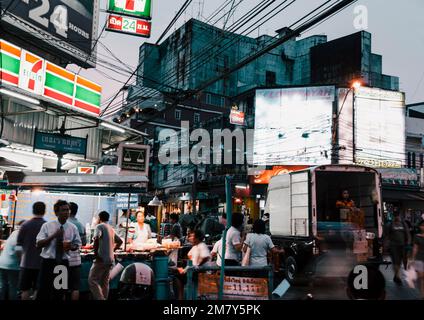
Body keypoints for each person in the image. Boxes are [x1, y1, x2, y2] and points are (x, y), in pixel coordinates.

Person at [36, 200, 81, 300]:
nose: (67, 212)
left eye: (68, 210)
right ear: (56, 212)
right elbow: (38, 244)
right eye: (63, 210)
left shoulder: (73, 227)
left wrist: (71, 247)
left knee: (59, 293)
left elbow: (77, 244)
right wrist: (53, 236)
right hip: (48, 262)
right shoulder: (47, 226)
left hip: (63, 263)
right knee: (44, 291)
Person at [88, 211, 123, 300]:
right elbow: (120, 241)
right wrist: (112, 250)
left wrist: (96, 254)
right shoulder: (111, 228)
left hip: (101, 259)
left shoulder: (99, 226)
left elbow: (96, 239)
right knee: (105, 282)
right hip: (110, 259)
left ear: (100, 218)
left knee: (92, 280)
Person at [15, 202, 46, 300]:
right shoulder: (46, 225)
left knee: (25, 289)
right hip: (42, 263)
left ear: (33, 210)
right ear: (44, 211)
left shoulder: (25, 225)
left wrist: (20, 260)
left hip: (26, 263)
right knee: (38, 289)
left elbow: (18, 246)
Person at [384, 211, 411, 284]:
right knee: (396, 261)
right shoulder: (390, 225)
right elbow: (387, 236)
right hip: (393, 246)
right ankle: (397, 276)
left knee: (401, 261)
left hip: (403, 246)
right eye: (395, 216)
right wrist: (385, 246)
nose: (397, 217)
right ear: (393, 216)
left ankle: (396, 276)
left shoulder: (403, 224)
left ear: (399, 216)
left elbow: (407, 234)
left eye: (397, 216)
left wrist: (408, 243)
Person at [0, 221, 24, 300]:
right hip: (12, 265)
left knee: (3, 286)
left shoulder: (14, 233)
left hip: (2, 263)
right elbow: (18, 250)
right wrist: (21, 263)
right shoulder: (20, 235)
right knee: (13, 287)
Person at [67, 202, 86, 301]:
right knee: (75, 288)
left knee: (60, 287)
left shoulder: (63, 224)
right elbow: (83, 242)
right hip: (76, 260)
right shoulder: (80, 225)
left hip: (63, 260)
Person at [411, 220, 424, 299]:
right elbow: (415, 248)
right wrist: (412, 258)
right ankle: (422, 295)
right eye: (422, 225)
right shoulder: (417, 236)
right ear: (420, 227)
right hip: (419, 258)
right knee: (421, 277)